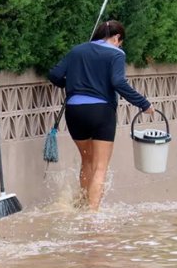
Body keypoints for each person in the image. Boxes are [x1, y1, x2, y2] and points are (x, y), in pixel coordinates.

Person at [48, 20, 155, 210]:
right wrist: (143, 104)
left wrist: (73, 85)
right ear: (116, 38)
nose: (119, 46)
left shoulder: (77, 50)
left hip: (75, 112)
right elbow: (118, 82)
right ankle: (92, 216)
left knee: (87, 160)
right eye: (120, 42)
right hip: (101, 112)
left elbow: (55, 75)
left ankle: (81, 205)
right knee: (100, 166)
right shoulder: (116, 53)